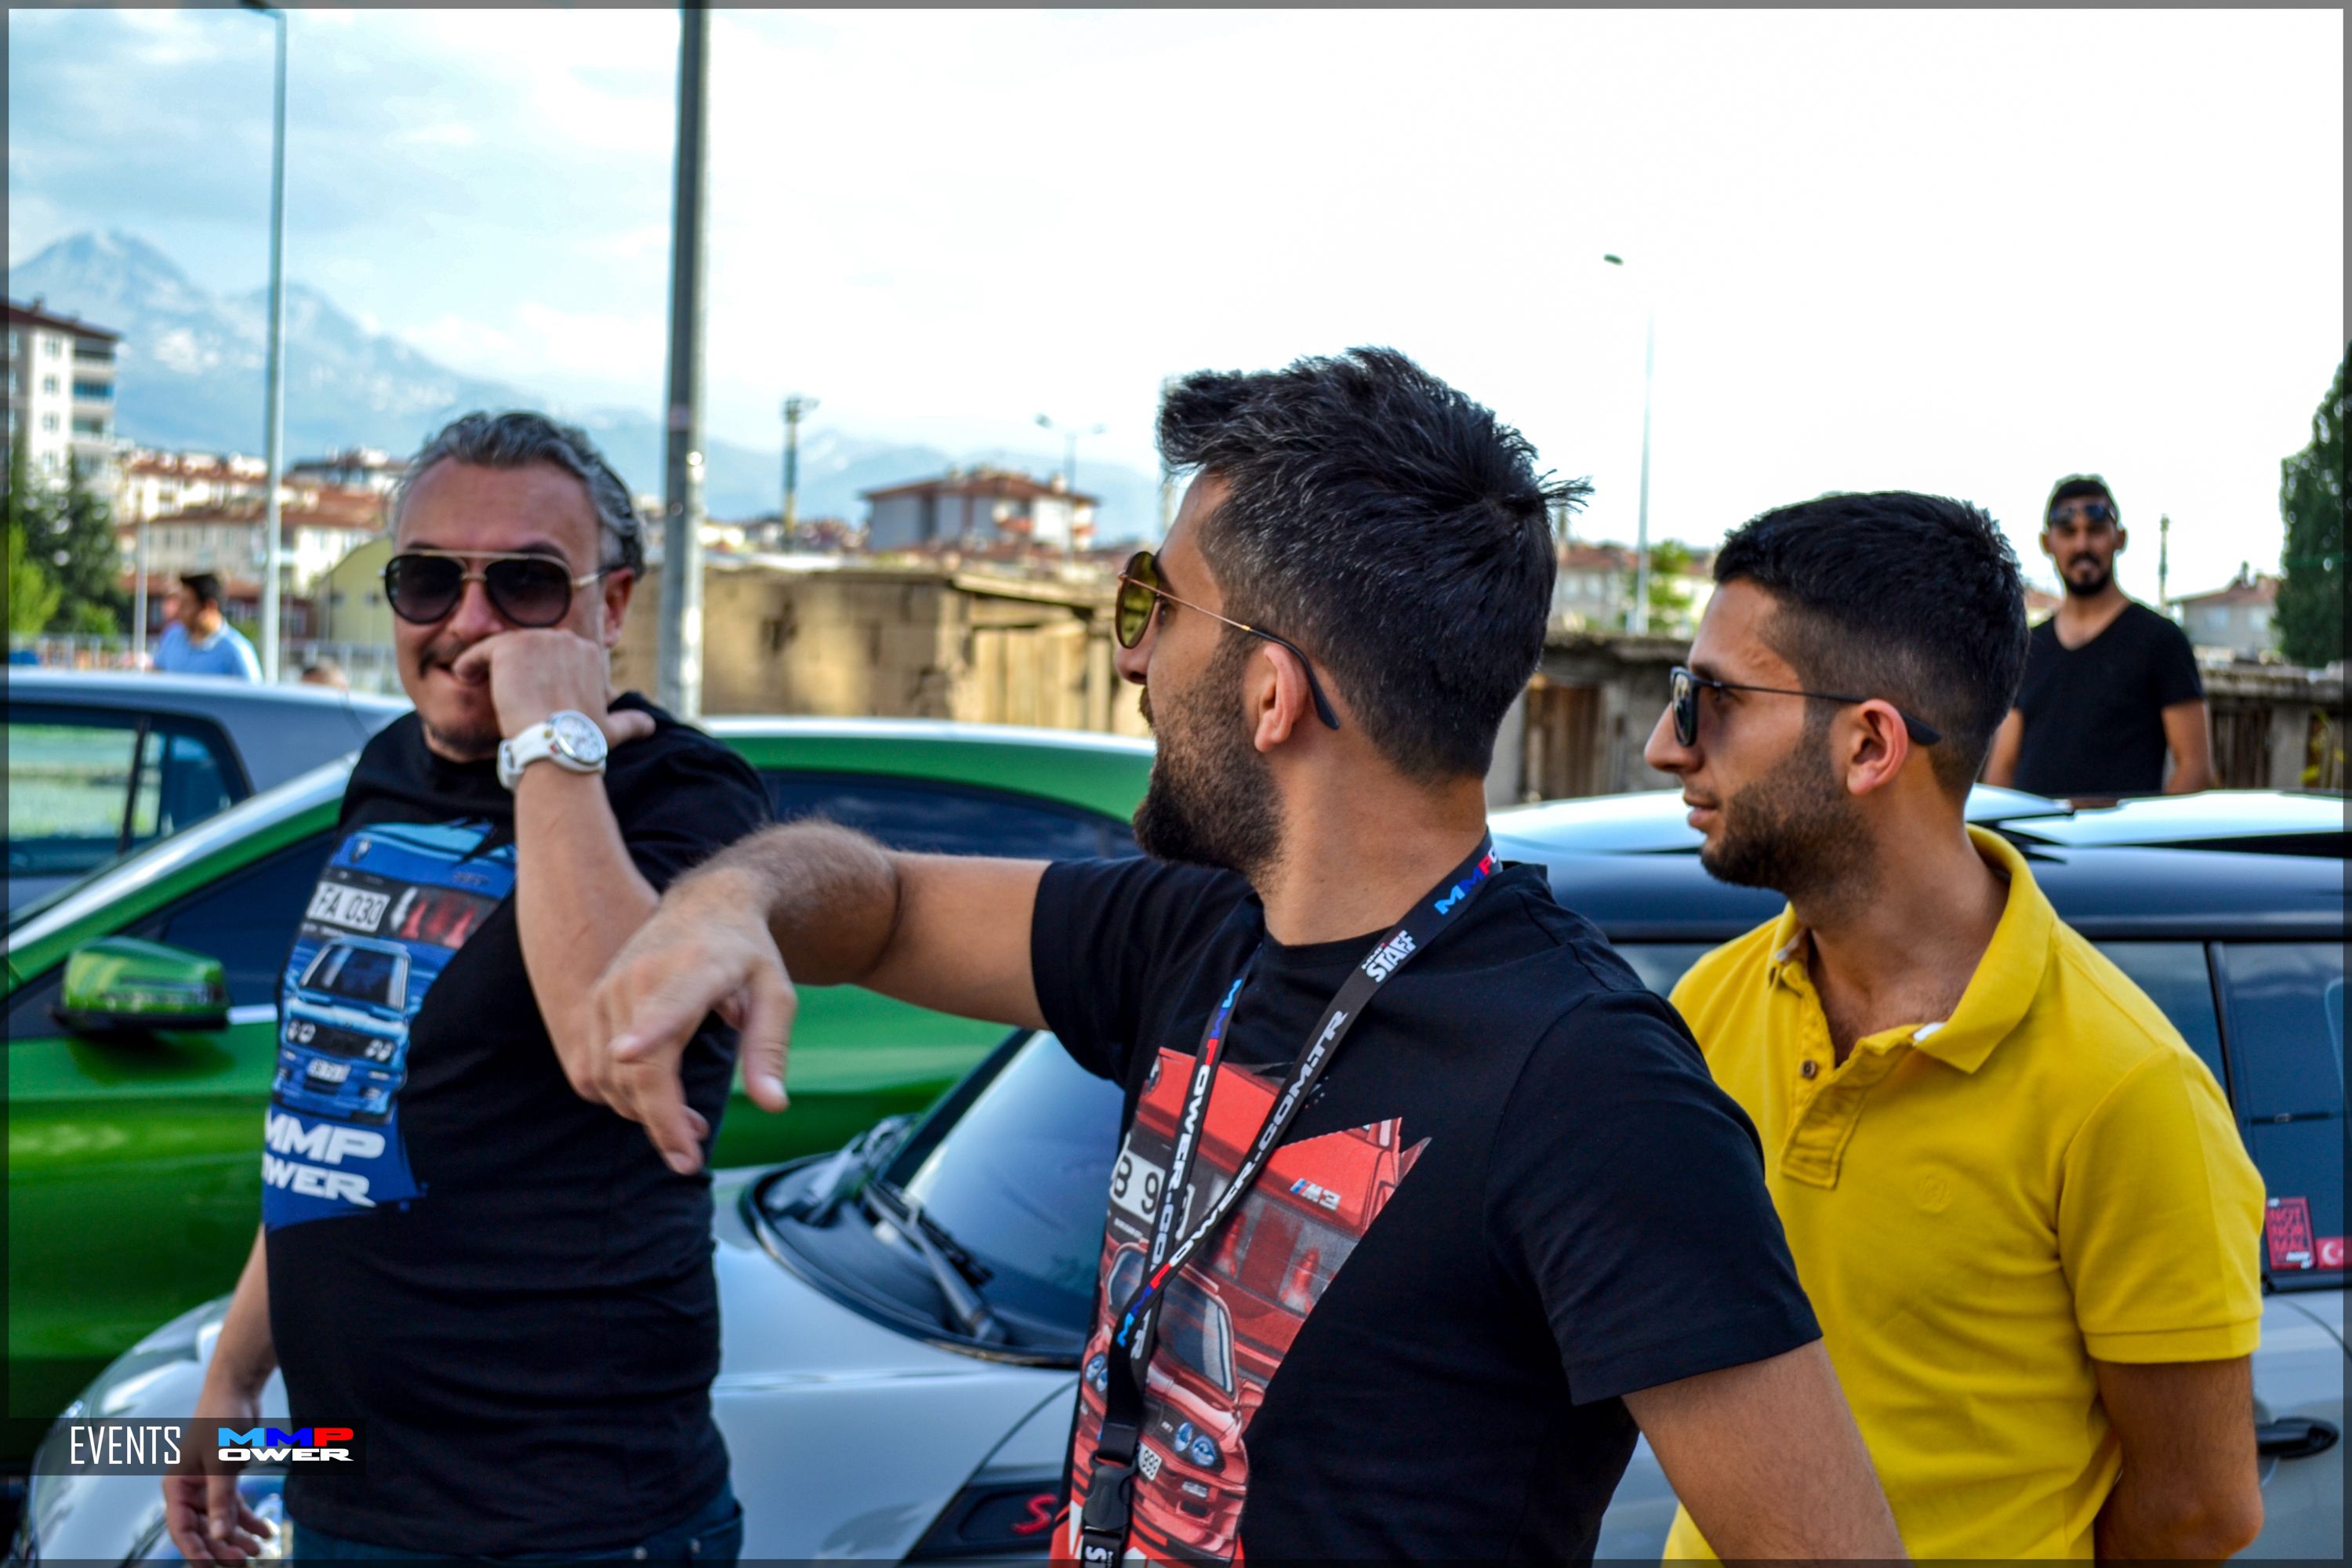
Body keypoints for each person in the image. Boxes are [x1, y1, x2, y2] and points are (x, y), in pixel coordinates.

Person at [586, 350, 1904, 1565]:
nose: (1132, 657)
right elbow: (880, 907)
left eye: (1155, 604)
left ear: (1274, 693)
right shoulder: (1189, 930)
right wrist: (736, 895)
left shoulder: (1589, 1086)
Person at [164, 412, 768, 1566]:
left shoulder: (684, 796)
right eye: (429, 579)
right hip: (348, 1492)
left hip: (562, 1523)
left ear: (612, 605)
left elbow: (611, 1035)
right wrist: (233, 1382)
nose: (470, 622)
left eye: (527, 584)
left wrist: (551, 740)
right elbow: (336, 1123)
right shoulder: (390, 768)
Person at [1644, 491, 2267, 1561]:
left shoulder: (2127, 1088)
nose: (1668, 744)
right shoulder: (1706, 1007)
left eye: (1714, 699)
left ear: (1869, 744)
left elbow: (2199, 1509)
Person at [1983, 475, 2212, 798]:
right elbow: (2001, 769)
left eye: (2095, 531)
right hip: (2032, 831)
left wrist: (2144, 829)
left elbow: (2196, 768)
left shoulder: (2161, 641)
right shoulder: (2027, 647)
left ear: (2120, 538)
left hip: (2121, 832)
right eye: (2068, 532)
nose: (2082, 545)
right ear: (2047, 543)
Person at [152, 572, 262, 681]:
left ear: (210, 606)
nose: (179, 610)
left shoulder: (235, 650)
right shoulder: (173, 637)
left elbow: (253, 690)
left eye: (186, 604)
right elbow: (158, 675)